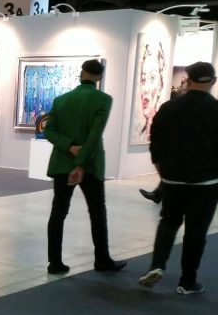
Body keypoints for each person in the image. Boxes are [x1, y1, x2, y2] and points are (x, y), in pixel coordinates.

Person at [137, 61, 218, 295]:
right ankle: (187, 281)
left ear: (188, 80)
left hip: (173, 180)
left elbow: (156, 143)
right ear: (213, 81)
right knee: (196, 232)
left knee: (168, 222)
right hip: (206, 183)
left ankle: (157, 265)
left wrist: (163, 173)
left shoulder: (169, 108)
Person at [43, 59, 127, 275]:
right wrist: (80, 163)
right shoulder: (103, 100)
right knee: (97, 212)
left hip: (62, 164)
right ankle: (102, 259)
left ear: (82, 73)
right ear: (99, 77)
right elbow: (94, 136)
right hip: (90, 166)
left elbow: (49, 131)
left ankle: (55, 263)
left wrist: (69, 146)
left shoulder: (61, 100)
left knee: (58, 213)